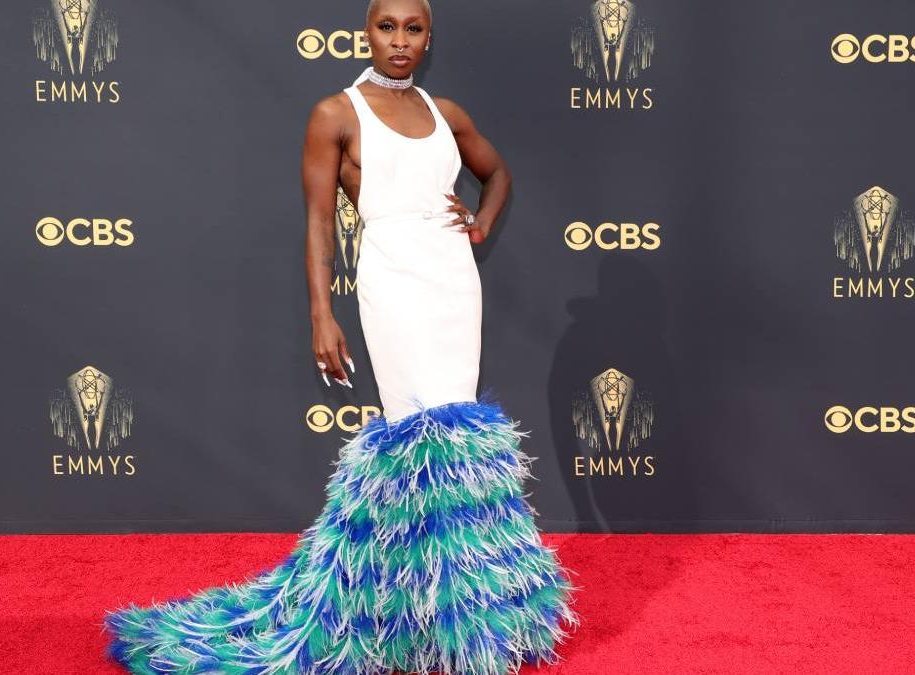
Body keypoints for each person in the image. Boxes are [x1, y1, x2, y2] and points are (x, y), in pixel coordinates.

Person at [102, 1, 580, 672]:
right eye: (387, 27)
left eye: (413, 29)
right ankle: (413, 612)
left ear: (429, 37)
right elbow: (320, 223)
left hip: (452, 284)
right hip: (391, 282)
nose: (400, 41)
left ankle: (453, 610)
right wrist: (322, 313)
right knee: (417, 432)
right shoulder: (337, 113)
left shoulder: (447, 112)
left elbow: (497, 172)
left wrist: (478, 223)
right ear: (367, 32)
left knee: (457, 438)